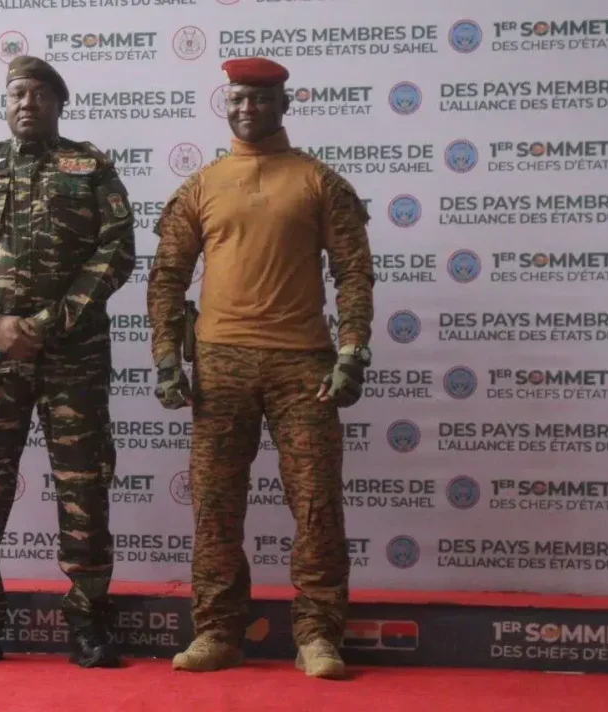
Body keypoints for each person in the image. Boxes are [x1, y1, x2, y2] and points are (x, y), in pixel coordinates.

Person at [147, 57, 374, 679]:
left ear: (283, 104)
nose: (247, 109)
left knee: (317, 502)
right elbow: (166, 275)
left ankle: (319, 637)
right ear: (228, 103)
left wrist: (353, 351)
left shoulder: (319, 181)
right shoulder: (201, 185)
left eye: (260, 99)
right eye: (238, 99)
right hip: (219, 365)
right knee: (216, 506)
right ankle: (218, 631)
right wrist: (167, 358)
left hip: (305, 365)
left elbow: (353, 272)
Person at [0, 56, 136, 668]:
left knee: (83, 487)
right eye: (18, 93)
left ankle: (89, 621)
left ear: (58, 104)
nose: (28, 104)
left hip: (72, 357)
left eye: (40, 95)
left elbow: (115, 252)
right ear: (6, 100)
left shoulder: (91, 168)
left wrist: (48, 325)